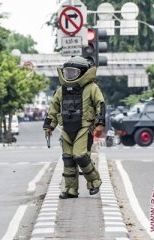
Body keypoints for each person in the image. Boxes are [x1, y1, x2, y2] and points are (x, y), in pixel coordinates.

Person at [43, 56, 106, 199]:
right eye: (68, 72)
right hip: (66, 129)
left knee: (80, 155)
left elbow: (100, 105)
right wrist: (49, 126)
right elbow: (53, 108)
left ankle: (94, 181)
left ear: (83, 72)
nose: (70, 75)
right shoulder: (61, 90)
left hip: (84, 127)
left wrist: (100, 123)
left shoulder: (92, 88)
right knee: (68, 158)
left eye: (74, 72)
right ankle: (70, 189)